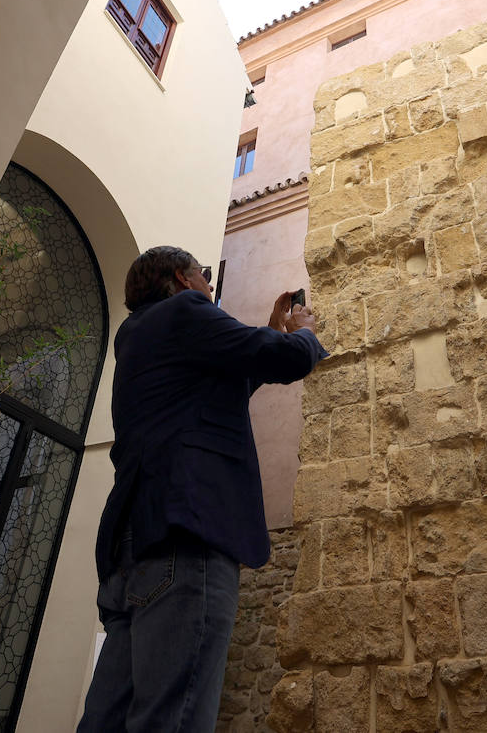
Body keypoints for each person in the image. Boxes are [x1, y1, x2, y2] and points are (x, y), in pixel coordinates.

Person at [76, 246, 325, 733]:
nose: (210, 285)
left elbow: (215, 388)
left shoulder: (137, 336)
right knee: (175, 718)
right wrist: (304, 336)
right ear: (181, 279)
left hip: (132, 547)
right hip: (185, 536)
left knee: (108, 721)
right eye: (206, 276)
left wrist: (270, 332)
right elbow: (284, 360)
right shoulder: (186, 311)